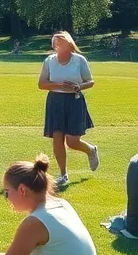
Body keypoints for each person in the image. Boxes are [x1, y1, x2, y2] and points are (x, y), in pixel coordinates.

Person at [37, 32, 99, 188]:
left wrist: (78, 86)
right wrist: (59, 86)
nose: (57, 45)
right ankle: (63, 174)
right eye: (55, 43)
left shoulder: (79, 60)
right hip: (55, 101)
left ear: (68, 44)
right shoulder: (49, 61)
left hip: (75, 100)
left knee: (72, 141)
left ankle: (90, 150)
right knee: (57, 138)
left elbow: (90, 81)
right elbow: (41, 84)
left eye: (60, 43)